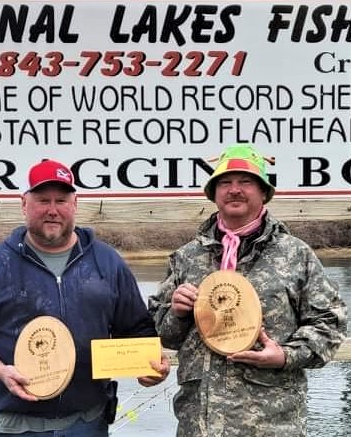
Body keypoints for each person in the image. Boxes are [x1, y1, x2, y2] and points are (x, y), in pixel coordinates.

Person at [0, 159, 170, 437]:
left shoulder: (106, 262)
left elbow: (137, 330)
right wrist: (0, 370)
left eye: (61, 200)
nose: (52, 210)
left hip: (88, 423)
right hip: (16, 427)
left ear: (74, 204)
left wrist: (149, 368)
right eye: (42, 200)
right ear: (24, 203)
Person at [148, 143, 347, 437]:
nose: (235, 190)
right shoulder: (186, 257)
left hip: (272, 424)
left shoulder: (295, 255)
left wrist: (284, 356)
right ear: (214, 194)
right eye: (225, 183)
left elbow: (330, 324)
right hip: (198, 425)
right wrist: (176, 313)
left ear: (264, 192)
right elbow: (163, 333)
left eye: (246, 182)